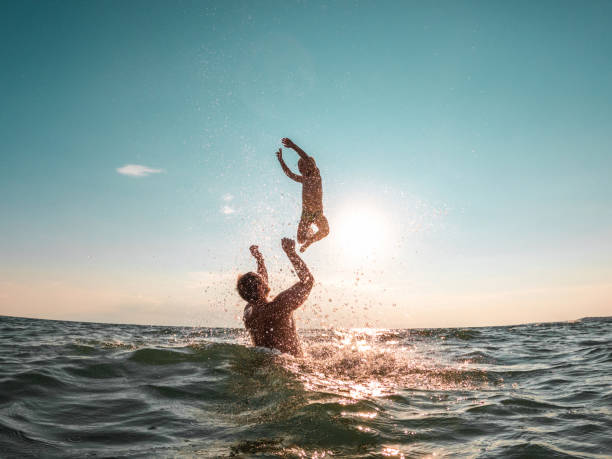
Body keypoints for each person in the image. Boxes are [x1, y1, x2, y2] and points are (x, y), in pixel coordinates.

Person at [237, 238, 313, 357]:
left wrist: (260, 260)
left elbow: (259, 289)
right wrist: (291, 253)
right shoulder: (278, 307)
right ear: (260, 287)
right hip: (290, 365)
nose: (265, 281)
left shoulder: (248, 313)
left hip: (262, 364)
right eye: (262, 281)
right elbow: (307, 282)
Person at [277, 137, 329, 252]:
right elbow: (289, 174)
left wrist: (293, 146)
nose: (300, 170)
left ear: (310, 165)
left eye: (302, 166)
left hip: (317, 212)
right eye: (300, 168)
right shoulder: (304, 179)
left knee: (325, 231)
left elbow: (305, 157)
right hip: (306, 214)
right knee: (300, 239)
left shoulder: (315, 174)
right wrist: (281, 161)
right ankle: (309, 234)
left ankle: (310, 241)